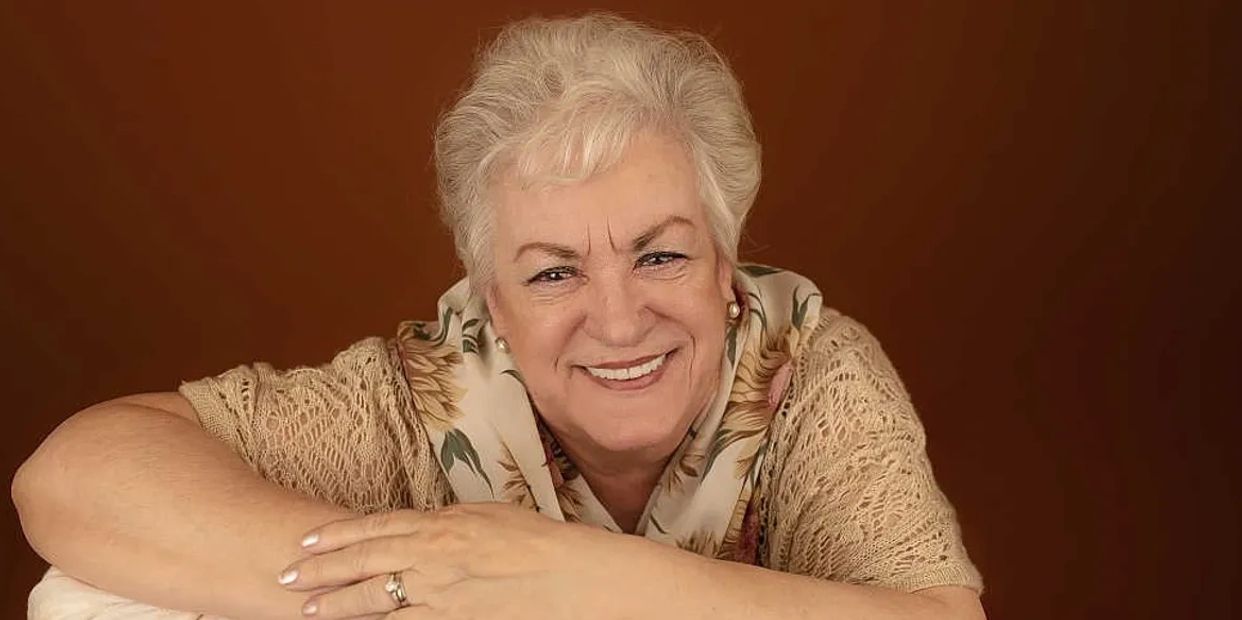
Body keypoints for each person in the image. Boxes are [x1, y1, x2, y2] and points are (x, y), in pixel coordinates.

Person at [12, 12, 985, 620]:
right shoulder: (423, 396)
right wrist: (426, 588)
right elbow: (72, 477)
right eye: (554, 273)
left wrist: (577, 581)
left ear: (726, 266)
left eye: (660, 255)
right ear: (492, 305)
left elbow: (941, 614)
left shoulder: (807, 367)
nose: (619, 321)